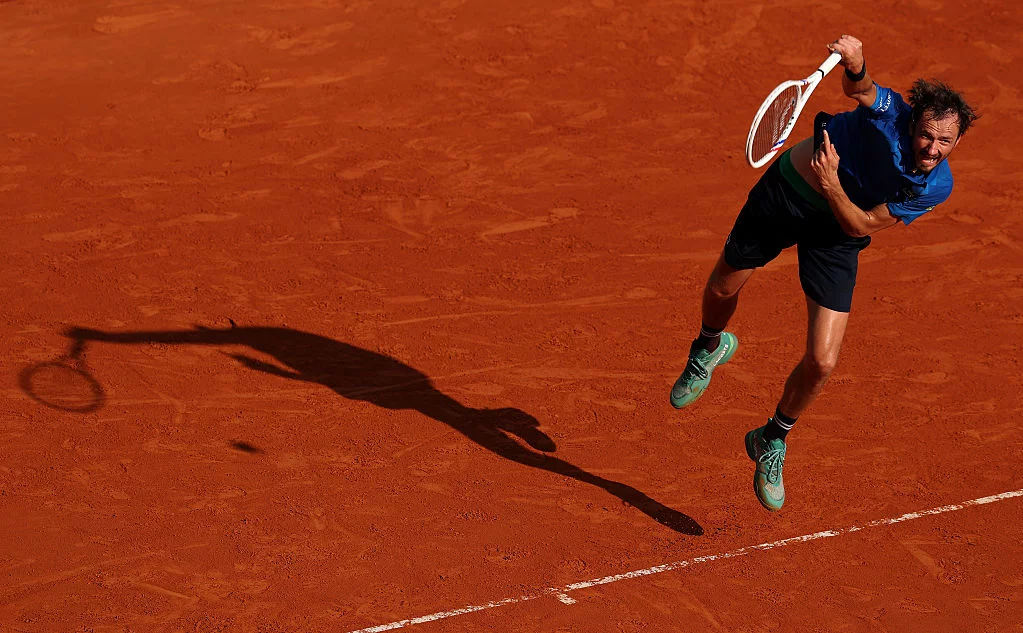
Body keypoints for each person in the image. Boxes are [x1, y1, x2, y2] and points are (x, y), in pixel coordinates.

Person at [669, 35, 979, 511]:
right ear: (912, 123)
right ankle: (708, 345)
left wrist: (833, 183)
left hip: (838, 230)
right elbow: (863, 88)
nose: (932, 147)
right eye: (926, 134)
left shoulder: (936, 185)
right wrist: (856, 62)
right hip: (789, 191)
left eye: (944, 141)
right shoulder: (891, 112)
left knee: (823, 361)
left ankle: (771, 438)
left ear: (958, 141)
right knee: (722, 285)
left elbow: (859, 223)